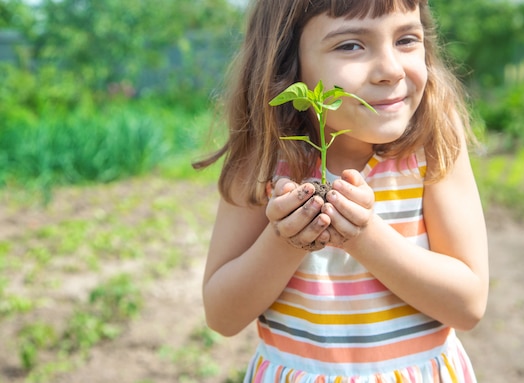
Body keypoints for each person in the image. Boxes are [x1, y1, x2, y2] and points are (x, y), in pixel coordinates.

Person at [195, 0, 489, 381]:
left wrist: (365, 237)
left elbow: (468, 305)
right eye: (351, 45)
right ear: (287, 63)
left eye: (406, 39)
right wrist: (285, 240)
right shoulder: (265, 158)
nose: (390, 70)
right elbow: (222, 316)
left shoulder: (430, 147)